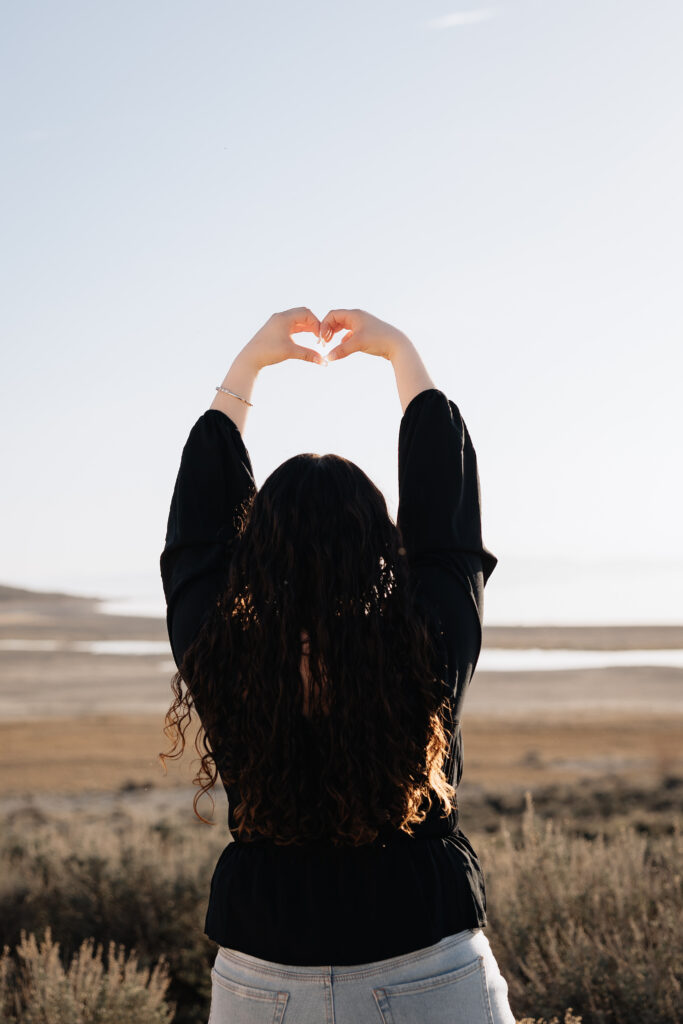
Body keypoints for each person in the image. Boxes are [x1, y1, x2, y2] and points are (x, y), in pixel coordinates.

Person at [159, 307, 515, 1023]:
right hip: (426, 959)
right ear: (382, 548)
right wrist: (398, 353)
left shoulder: (225, 650)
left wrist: (247, 370)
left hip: (263, 973)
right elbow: (447, 532)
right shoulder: (425, 640)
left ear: (254, 551)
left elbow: (194, 545)